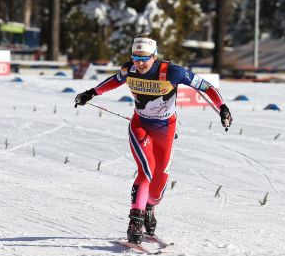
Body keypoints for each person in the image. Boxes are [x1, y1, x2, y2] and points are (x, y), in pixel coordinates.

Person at [75, 34, 232, 244]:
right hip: (140, 125)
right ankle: (135, 220)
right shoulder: (129, 69)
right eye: (135, 58)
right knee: (146, 170)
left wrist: (222, 108)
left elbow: (205, 87)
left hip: (166, 128)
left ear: (154, 56)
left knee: (159, 184)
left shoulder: (172, 72)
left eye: (144, 58)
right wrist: (91, 93)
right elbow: (114, 80)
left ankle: (149, 206)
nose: (139, 63)